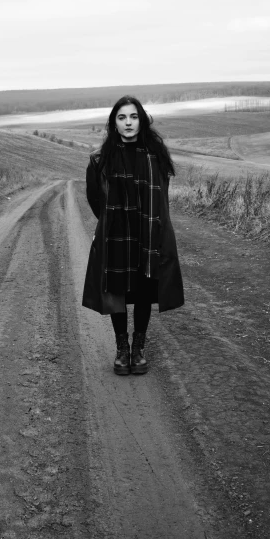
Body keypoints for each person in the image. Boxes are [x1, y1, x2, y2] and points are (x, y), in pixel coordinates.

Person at [82, 96, 184, 375]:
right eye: (122, 117)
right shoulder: (100, 160)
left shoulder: (156, 157)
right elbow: (96, 202)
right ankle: (122, 348)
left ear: (142, 119)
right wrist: (109, 227)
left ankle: (138, 349)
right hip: (116, 236)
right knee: (116, 292)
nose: (128, 123)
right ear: (114, 123)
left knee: (142, 292)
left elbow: (161, 199)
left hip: (147, 234)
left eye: (134, 116)